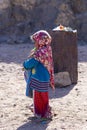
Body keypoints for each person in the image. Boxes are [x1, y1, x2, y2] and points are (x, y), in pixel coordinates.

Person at [23, 30, 55, 121]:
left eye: (36, 41)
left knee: (38, 97)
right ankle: (45, 111)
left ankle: (40, 114)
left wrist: (25, 64)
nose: (35, 44)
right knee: (44, 96)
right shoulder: (47, 49)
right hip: (45, 78)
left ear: (40, 41)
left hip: (38, 78)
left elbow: (31, 63)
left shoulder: (39, 53)